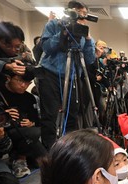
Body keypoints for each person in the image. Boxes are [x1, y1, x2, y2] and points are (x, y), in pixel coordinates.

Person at [37, 1, 95, 150]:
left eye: (83, 15)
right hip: (50, 74)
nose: (80, 17)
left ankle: (70, 149)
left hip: (72, 77)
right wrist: (63, 32)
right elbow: (47, 47)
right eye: (77, 13)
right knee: (50, 115)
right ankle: (50, 152)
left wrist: (88, 39)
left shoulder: (84, 34)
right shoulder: (54, 25)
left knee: (72, 114)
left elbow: (89, 59)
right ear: (69, 13)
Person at [0, 71, 47, 178]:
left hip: (24, 132)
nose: (23, 85)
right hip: (1, 133)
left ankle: (18, 157)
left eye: (28, 83)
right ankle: (20, 158)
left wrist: (31, 122)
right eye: (20, 81)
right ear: (8, 78)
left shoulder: (29, 97)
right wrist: (3, 115)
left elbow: (37, 120)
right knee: (34, 133)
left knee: (46, 162)